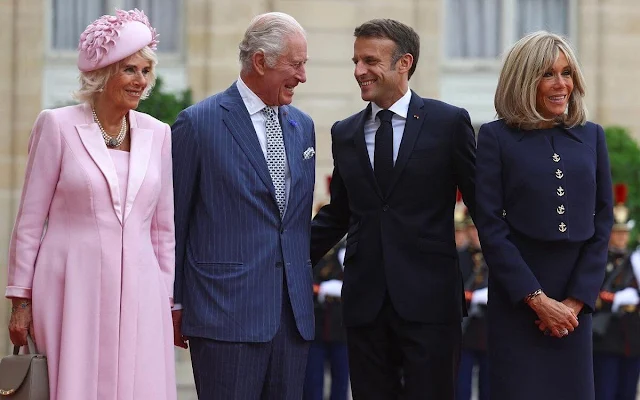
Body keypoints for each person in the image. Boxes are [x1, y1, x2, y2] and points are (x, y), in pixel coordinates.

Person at [6, 9, 176, 400]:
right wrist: (20, 299)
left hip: (142, 289)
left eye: (146, 71)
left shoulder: (159, 134)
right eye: (130, 70)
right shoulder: (57, 126)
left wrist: (167, 300)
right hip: (70, 285)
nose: (141, 81)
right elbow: (30, 220)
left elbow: (163, 229)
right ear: (102, 73)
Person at [311, 19, 476, 399]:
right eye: (355, 61)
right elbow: (339, 214)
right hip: (365, 306)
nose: (358, 71)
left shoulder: (448, 123)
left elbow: (481, 204)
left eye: (369, 60)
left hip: (431, 305)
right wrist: (283, 264)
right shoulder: (345, 132)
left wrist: (523, 282)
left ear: (404, 63)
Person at [171, 12, 315, 400]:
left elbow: (294, 223)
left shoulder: (304, 126)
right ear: (260, 61)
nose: (303, 76)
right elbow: (174, 223)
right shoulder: (197, 124)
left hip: (292, 317)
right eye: (296, 64)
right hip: (224, 316)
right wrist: (174, 302)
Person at [475, 31, 614, 400]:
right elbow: (490, 227)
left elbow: (603, 224)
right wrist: (536, 300)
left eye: (567, 73)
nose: (561, 84)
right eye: (548, 74)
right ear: (523, 80)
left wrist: (575, 303)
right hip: (518, 304)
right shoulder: (494, 138)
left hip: (574, 310)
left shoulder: (592, 137)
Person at [593, 183, 640, 400]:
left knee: (627, 393)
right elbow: (591, 295)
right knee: (605, 392)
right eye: (617, 233)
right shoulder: (599, 259)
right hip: (606, 338)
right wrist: (617, 300)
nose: (621, 238)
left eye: (624, 234)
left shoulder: (635, 260)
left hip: (633, 338)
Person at [303, 233, 349, 400]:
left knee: (341, 383)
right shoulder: (313, 248)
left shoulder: (344, 251)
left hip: (341, 328)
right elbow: (306, 281)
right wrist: (321, 289)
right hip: (316, 327)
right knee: (312, 384)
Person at [457, 216, 489, 400]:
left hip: (489, 331)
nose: (476, 234)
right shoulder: (460, 257)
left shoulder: (497, 255)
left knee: (489, 389)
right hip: (464, 331)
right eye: (472, 229)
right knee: (461, 389)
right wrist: (472, 296)